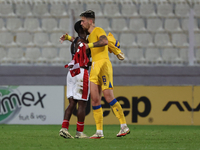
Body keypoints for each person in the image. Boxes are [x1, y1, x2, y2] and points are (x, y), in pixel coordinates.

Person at [80, 10, 130, 139]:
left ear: (90, 21)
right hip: (96, 65)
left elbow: (104, 42)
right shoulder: (89, 36)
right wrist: (69, 38)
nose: (81, 23)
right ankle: (99, 132)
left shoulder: (98, 30)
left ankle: (124, 126)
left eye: (83, 20)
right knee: (95, 99)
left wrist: (88, 46)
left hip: (103, 65)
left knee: (108, 97)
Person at [59, 20, 91, 139]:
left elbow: (75, 41)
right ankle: (79, 132)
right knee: (82, 104)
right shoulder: (83, 42)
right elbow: (85, 60)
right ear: (82, 29)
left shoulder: (76, 41)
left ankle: (64, 128)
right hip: (81, 73)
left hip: (71, 72)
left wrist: (68, 37)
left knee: (72, 103)